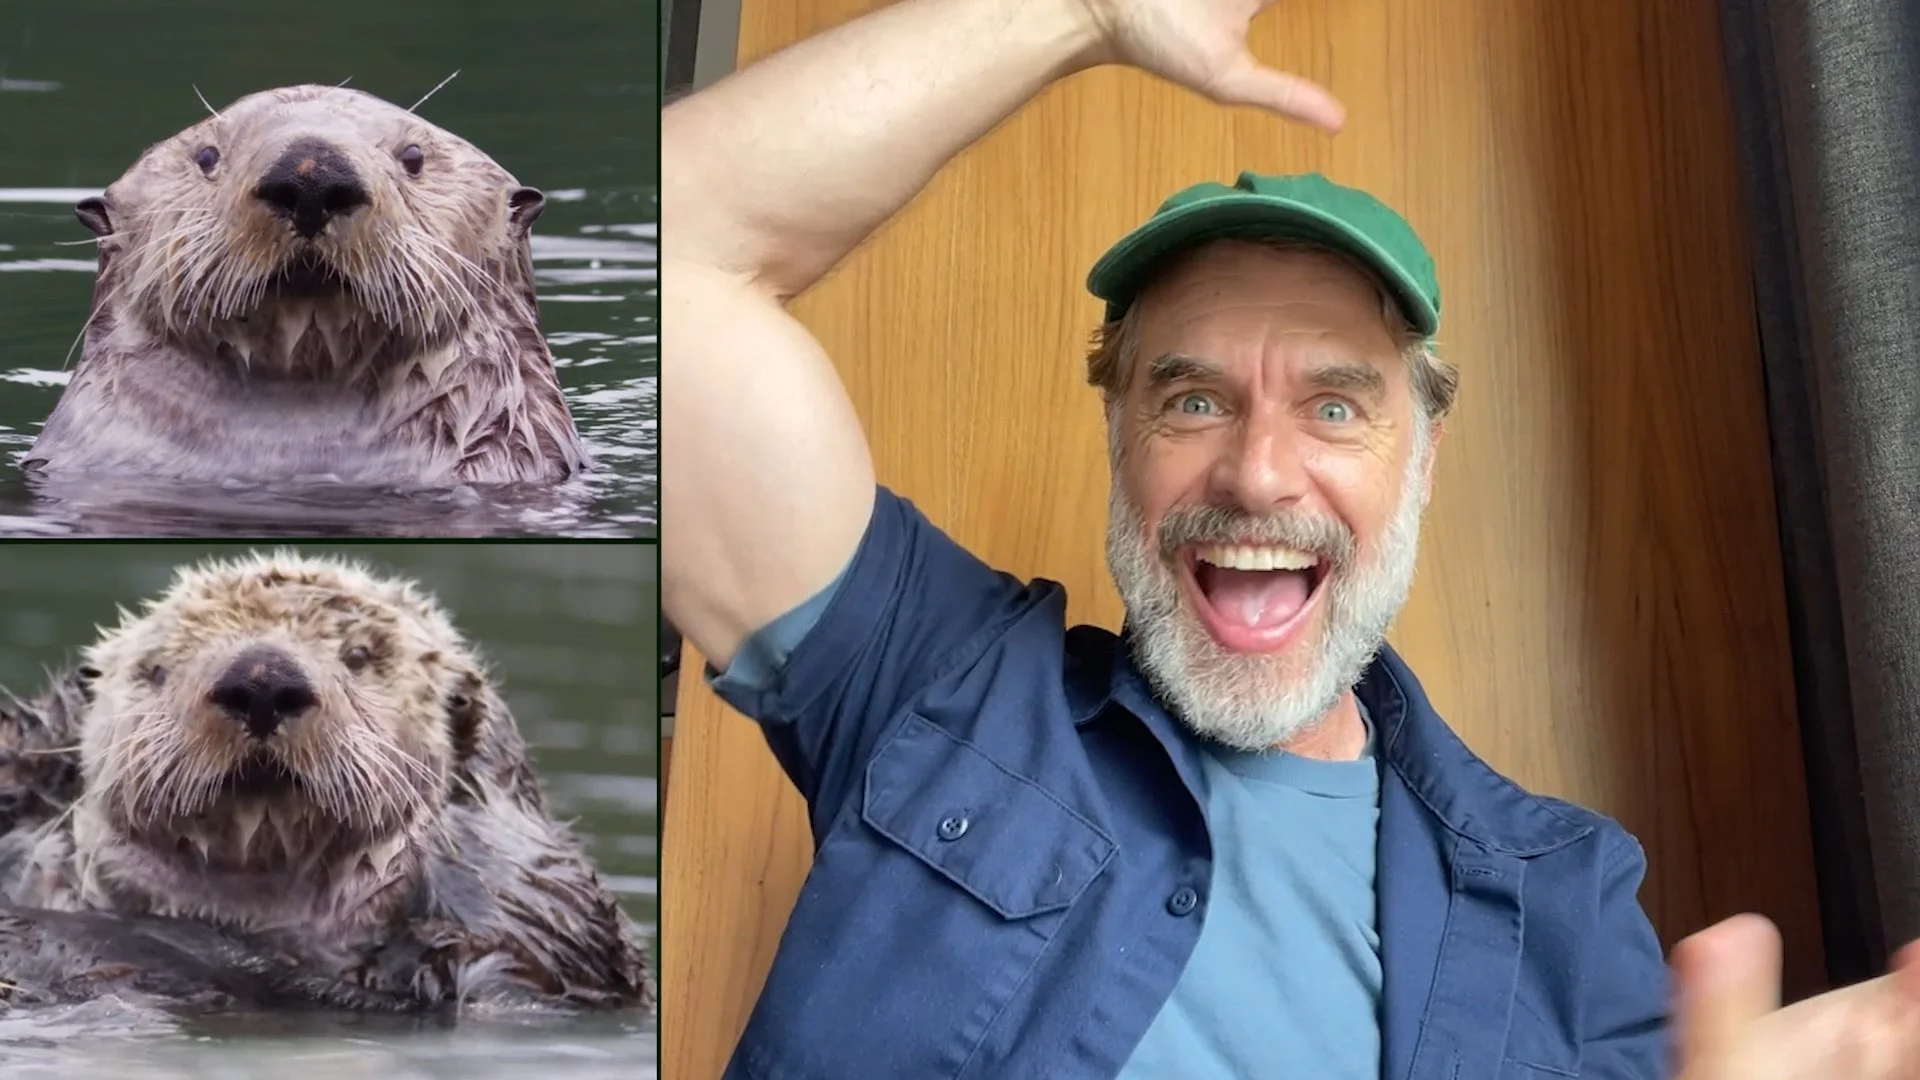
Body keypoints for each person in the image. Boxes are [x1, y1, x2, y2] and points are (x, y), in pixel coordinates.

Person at [661, 0, 1920, 1075]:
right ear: (1120, 440)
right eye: (1193, 398)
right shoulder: (942, 685)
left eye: (1334, 405)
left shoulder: (1567, 903)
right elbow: (630, 270)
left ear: (1422, 455)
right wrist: (1078, 12)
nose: (1258, 473)